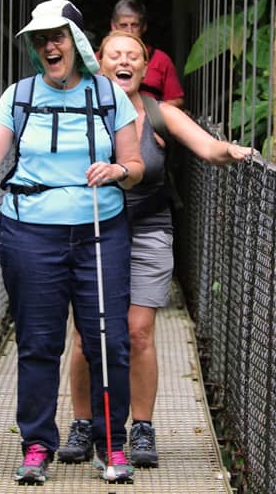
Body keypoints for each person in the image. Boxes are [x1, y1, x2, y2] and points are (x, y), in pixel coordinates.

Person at [0, 0, 144, 484]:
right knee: (38, 343)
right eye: (40, 39)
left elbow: (136, 167)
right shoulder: (19, 95)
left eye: (56, 36)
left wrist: (118, 170)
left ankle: (113, 446)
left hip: (100, 232)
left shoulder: (108, 97)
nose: (47, 46)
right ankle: (38, 444)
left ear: (77, 42)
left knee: (110, 341)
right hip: (30, 232)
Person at [59, 30, 257, 469]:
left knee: (138, 331)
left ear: (145, 70)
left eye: (133, 56)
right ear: (99, 63)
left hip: (148, 227)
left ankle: (142, 428)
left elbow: (209, 148)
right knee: (86, 333)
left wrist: (235, 150)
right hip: (89, 228)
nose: (124, 61)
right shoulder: (77, 110)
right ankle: (83, 423)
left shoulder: (159, 112)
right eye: (115, 55)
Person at [109, 0, 185, 108]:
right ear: (113, 26)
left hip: (151, 121)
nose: (129, 31)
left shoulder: (161, 59)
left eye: (134, 25)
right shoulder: (100, 58)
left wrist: (149, 112)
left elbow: (176, 100)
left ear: (144, 27)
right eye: (123, 25)